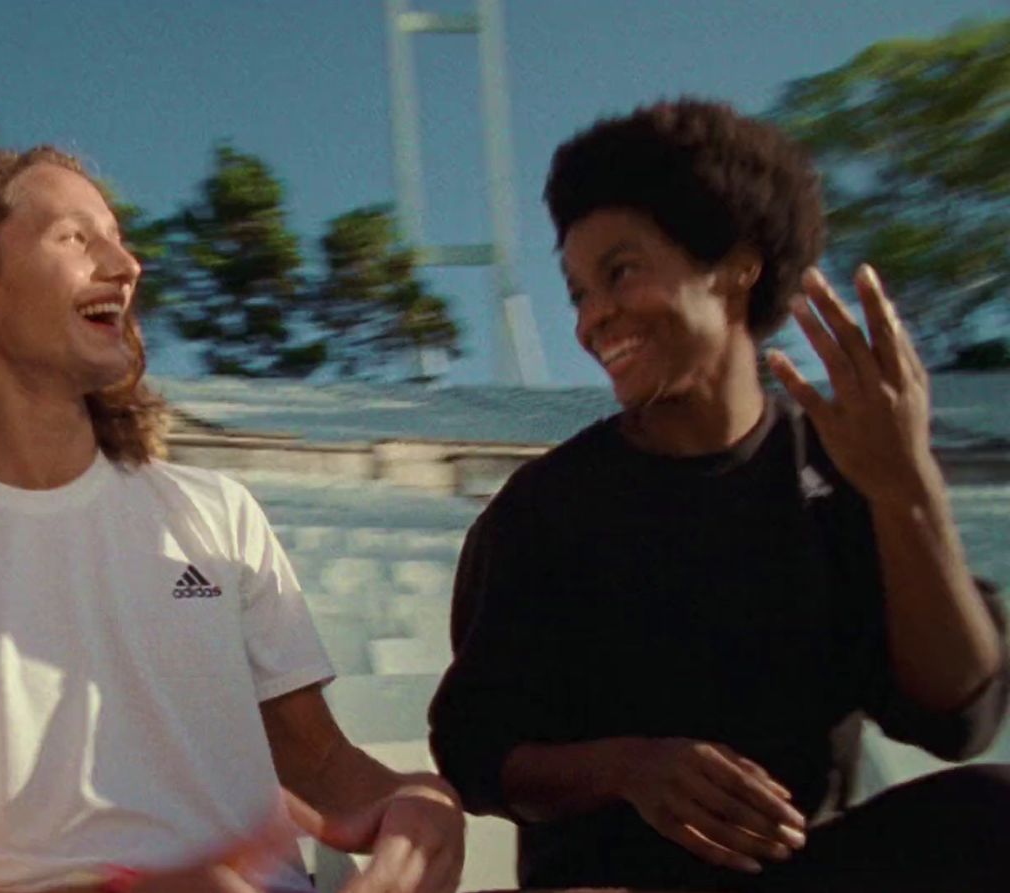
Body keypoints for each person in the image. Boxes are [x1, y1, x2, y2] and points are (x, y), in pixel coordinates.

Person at [0, 146, 466, 893]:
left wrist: (417, 800)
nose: (126, 265)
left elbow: (323, 764)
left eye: (121, 239)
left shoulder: (216, 513)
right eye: (76, 237)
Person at [427, 97, 1010, 892]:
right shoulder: (545, 509)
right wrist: (627, 768)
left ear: (738, 266)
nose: (594, 317)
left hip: (796, 869)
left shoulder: (842, 471)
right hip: (608, 881)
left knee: (990, 814)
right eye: (577, 291)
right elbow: (474, 751)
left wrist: (906, 487)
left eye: (620, 272)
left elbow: (959, 717)